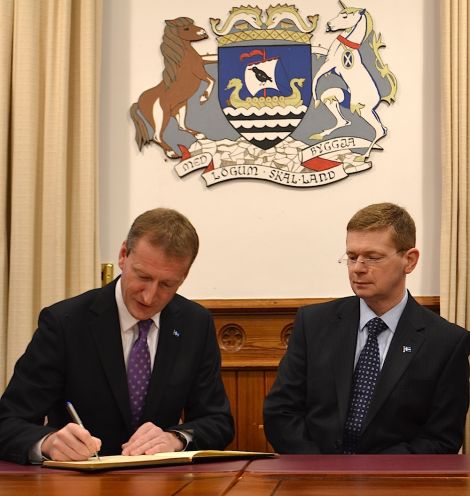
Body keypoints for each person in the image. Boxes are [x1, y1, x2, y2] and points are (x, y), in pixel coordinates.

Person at [0, 208, 234, 464]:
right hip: (80, 484)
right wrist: (48, 442)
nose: (149, 296)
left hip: (164, 483)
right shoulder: (65, 323)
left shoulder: (195, 324)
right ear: (124, 255)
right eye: (143, 277)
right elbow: (8, 422)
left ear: (183, 277)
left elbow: (218, 421)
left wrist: (176, 438)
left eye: (167, 285)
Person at [264, 202, 470, 454]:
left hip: (395, 485)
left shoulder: (446, 342)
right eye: (352, 257)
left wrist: (371, 475)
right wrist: (323, 471)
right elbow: (281, 412)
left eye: (372, 257)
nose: (358, 268)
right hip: (315, 478)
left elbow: (441, 438)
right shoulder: (314, 323)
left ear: (410, 260)